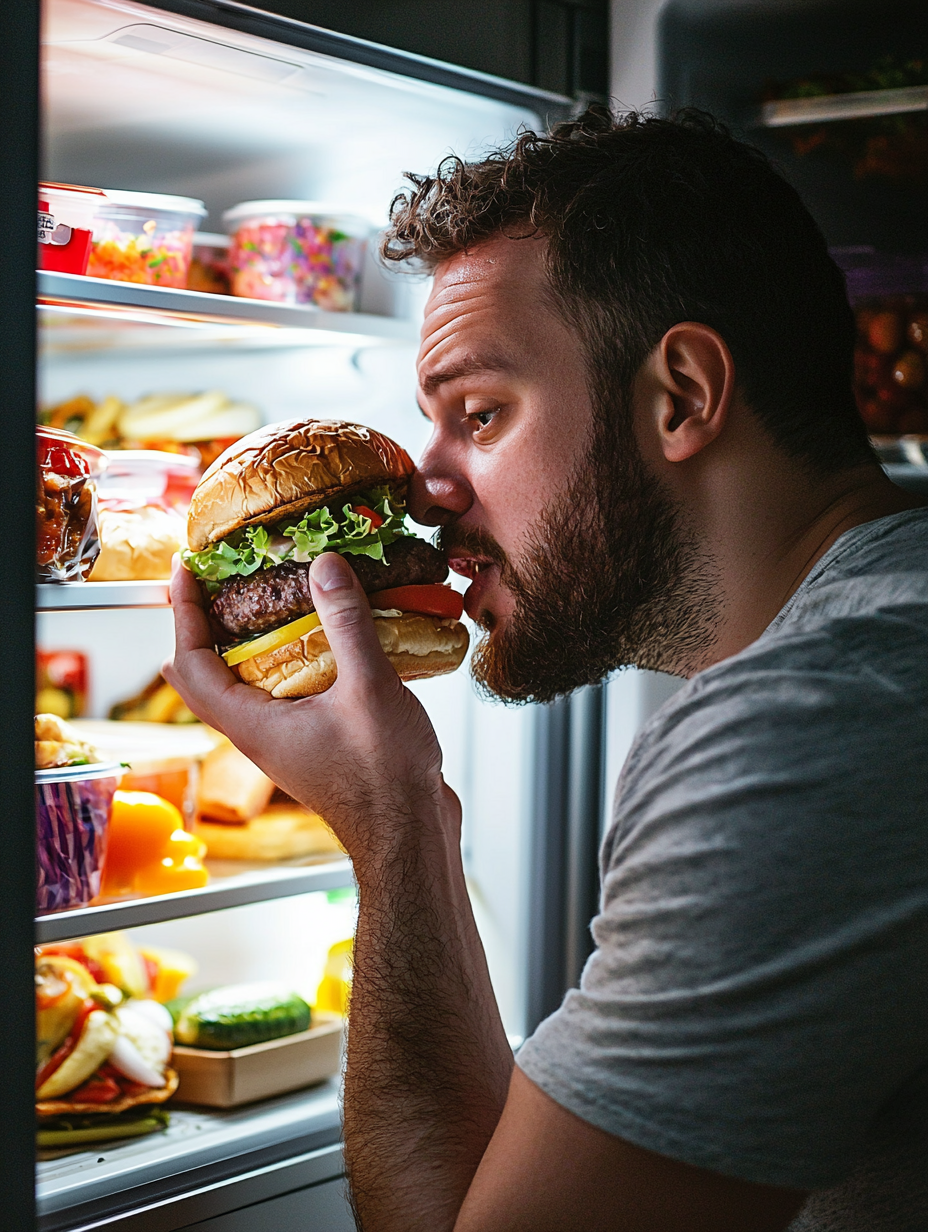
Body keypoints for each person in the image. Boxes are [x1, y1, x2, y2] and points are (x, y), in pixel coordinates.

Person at [165, 109, 928, 1231]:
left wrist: (394, 818)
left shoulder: (804, 730)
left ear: (680, 394)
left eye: (480, 413)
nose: (426, 489)